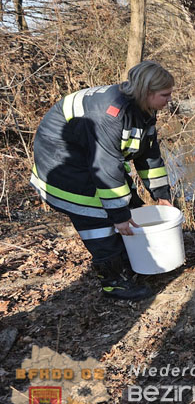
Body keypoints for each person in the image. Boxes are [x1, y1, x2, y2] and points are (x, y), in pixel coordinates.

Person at [30, 61, 175, 301]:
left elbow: (148, 154)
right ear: (147, 92)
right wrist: (118, 216)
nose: (170, 99)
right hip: (62, 164)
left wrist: (162, 196)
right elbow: (106, 167)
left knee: (131, 208)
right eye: (165, 95)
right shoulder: (110, 115)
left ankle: (129, 262)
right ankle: (113, 283)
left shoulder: (144, 109)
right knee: (97, 219)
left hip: (91, 158)